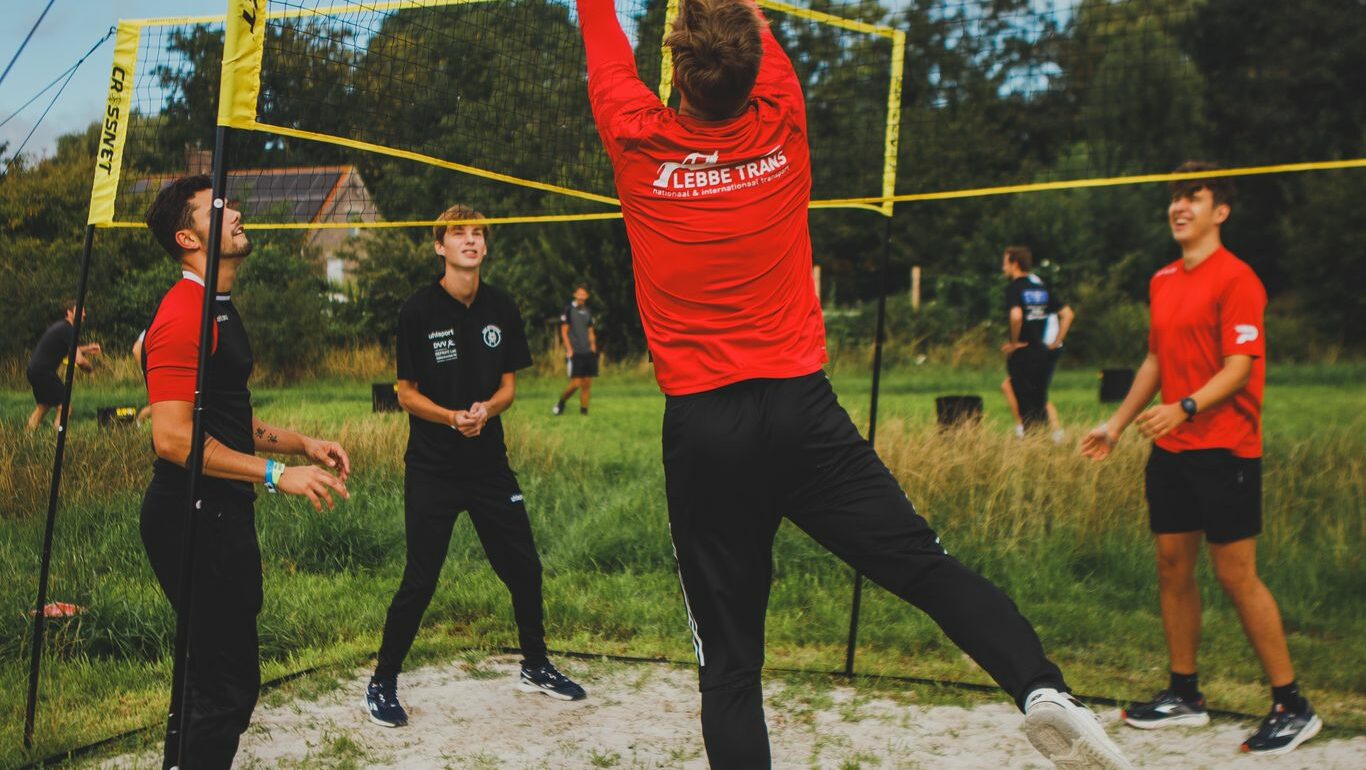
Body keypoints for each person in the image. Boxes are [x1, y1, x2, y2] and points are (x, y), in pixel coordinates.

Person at [578, 1, 1131, 767]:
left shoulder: (638, 139)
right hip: (801, 410)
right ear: (752, 66)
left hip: (706, 428)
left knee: (730, 667)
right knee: (925, 567)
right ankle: (1040, 688)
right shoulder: (782, 118)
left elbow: (600, 31)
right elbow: (749, 22)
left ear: (676, 67)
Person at [1081, 162, 1321, 756]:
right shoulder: (1163, 279)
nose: (1179, 207)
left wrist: (1184, 407)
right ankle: (1184, 695)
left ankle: (1293, 706)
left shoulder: (1238, 279)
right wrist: (1115, 425)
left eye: (1194, 197)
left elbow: (1240, 369)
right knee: (1171, 566)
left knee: (1236, 575)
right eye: (1175, 197)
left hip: (1225, 447)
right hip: (1172, 449)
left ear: (1221, 211)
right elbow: (1155, 360)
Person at [139, 174, 352, 770]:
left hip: (221, 511)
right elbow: (174, 439)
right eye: (217, 209)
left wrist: (302, 444)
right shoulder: (184, 312)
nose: (235, 212)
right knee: (227, 686)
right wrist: (277, 473)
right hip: (189, 515)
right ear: (187, 238)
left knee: (210, 679)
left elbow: (226, 420)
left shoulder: (218, 307)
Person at [364, 204, 585, 730]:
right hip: (433, 468)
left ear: (486, 245)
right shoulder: (417, 310)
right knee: (421, 578)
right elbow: (405, 394)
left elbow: (509, 387)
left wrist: (487, 409)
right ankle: (382, 682)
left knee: (524, 568)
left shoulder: (501, 306)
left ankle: (535, 665)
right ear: (439, 246)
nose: (471, 240)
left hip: (489, 466)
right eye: (459, 233)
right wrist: (450, 417)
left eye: (478, 233)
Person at [1000, 247, 1072, 436]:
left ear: (1015, 264)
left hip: (1023, 352)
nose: (1003, 268)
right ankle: (1046, 439)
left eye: (1005, 263)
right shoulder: (1042, 289)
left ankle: (1030, 439)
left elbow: (1016, 316)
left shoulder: (1014, 288)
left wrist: (1014, 342)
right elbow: (1067, 314)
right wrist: (1057, 342)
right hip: (1042, 352)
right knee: (1040, 400)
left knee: (1025, 402)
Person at [25, 299, 101, 431]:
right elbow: (79, 360)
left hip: (34, 370)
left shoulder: (62, 327)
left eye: (84, 311)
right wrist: (91, 370)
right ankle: (58, 437)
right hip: (44, 372)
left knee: (43, 406)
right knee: (65, 407)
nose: (84, 314)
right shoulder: (68, 329)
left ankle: (27, 436)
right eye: (80, 311)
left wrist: (88, 348)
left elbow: (69, 349)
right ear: (69, 313)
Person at [554, 284, 598, 415]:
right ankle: (561, 402)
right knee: (576, 383)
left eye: (584, 294)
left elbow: (590, 331)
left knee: (587, 383)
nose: (581, 297)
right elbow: (564, 332)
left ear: (587, 296)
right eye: (579, 294)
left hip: (587, 352)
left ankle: (584, 413)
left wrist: (593, 346)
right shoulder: (568, 310)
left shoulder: (588, 312)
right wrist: (569, 349)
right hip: (575, 352)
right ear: (575, 295)